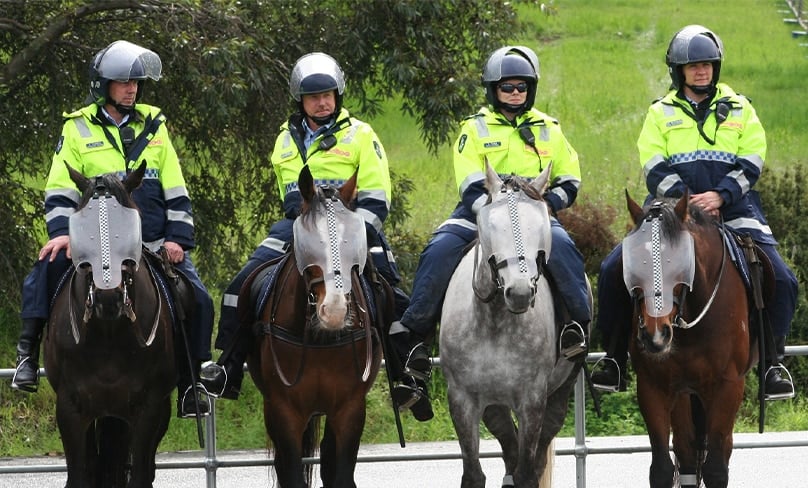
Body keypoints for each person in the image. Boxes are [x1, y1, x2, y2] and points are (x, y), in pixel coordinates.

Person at [10, 40, 215, 418]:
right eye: (122, 82)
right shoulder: (76, 129)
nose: (131, 89)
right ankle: (26, 359)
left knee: (198, 296)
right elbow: (58, 189)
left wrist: (177, 239)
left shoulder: (156, 127)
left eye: (135, 82)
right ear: (102, 85)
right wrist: (61, 234)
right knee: (41, 274)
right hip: (89, 246)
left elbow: (176, 189)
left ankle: (192, 382)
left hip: (149, 244)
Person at [591, 25, 797, 398]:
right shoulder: (660, 112)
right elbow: (653, 166)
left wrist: (720, 196)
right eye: (693, 66)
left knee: (782, 279)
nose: (701, 71)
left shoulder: (741, 108)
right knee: (611, 269)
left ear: (715, 68)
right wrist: (688, 200)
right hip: (673, 209)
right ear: (679, 71)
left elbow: (752, 160)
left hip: (734, 206)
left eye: (707, 64)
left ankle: (772, 364)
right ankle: (615, 359)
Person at [389, 45, 591, 420]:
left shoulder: (549, 128)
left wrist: (546, 208)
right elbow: (468, 183)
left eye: (521, 87)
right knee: (438, 252)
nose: (515, 94)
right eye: (506, 87)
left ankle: (576, 330)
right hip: (480, 213)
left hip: (533, 216)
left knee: (563, 250)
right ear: (493, 90)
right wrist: (495, 220)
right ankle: (415, 342)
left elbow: (570, 178)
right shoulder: (474, 128)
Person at [200, 52, 410, 403]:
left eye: (328, 94)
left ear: (337, 96)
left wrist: (353, 239)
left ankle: (405, 375)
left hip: (354, 227)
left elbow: (376, 197)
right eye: (314, 97)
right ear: (301, 101)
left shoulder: (361, 134)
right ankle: (229, 367)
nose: (322, 102)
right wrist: (308, 229)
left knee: (389, 290)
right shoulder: (286, 138)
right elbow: (291, 196)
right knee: (243, 283)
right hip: (301, 225)